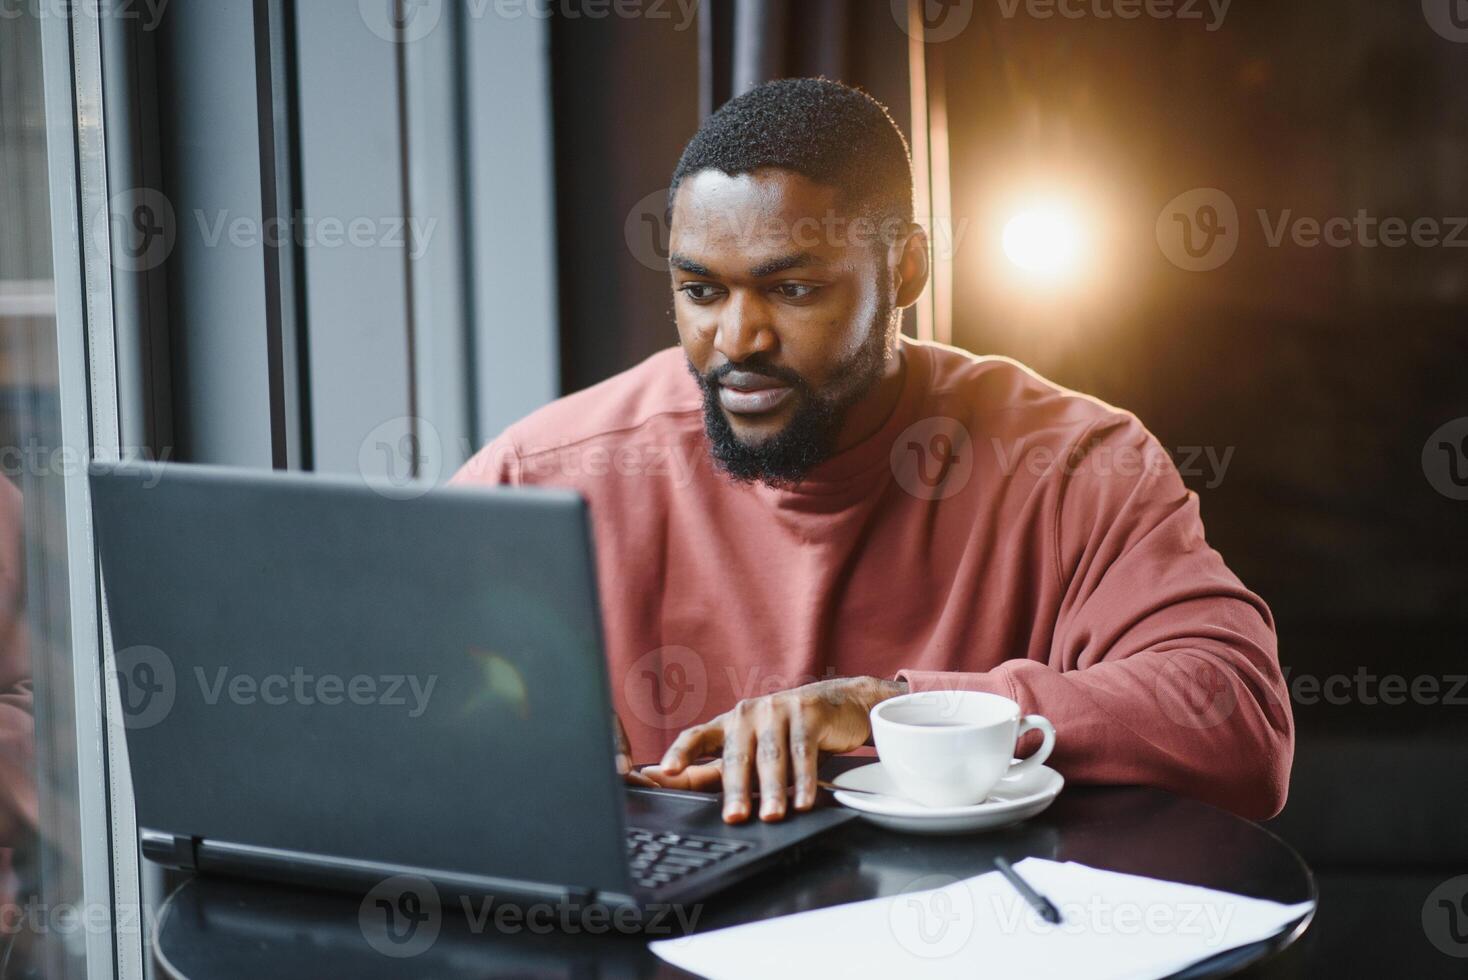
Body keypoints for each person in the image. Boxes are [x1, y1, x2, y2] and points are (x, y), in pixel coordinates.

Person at [451, 77, 1293, 825]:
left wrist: (892, 712)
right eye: (701, 291)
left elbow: (1239, 727)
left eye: (794, 289)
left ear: (908, 271)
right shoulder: (550, 470)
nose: (735, 339)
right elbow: (359, 692)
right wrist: (502, 736)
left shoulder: (1072, 462)